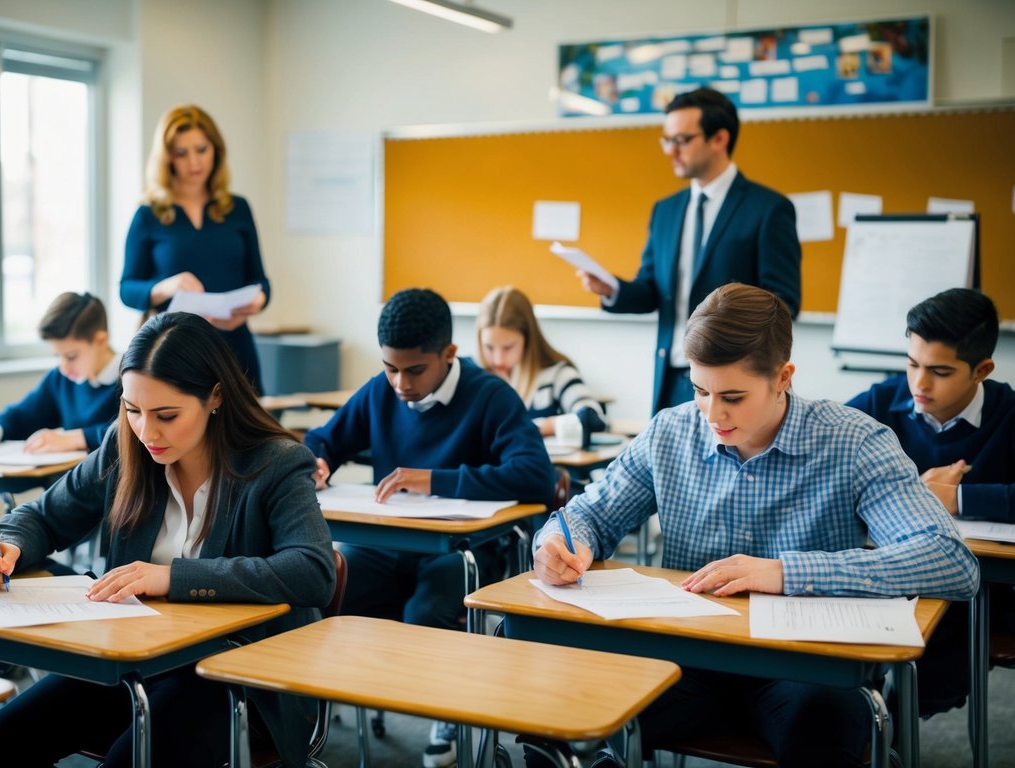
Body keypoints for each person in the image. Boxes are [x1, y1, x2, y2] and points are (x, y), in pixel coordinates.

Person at [532, 283, 978, 768]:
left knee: (822, 723)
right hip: (687, 661)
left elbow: (950, 561)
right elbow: (588, 514)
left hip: (805, 669)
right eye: (701, 390)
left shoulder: (856, 442)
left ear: (783, 377)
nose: (713, 413)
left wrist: (784, 573)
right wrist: (559, 540)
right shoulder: (670, 432)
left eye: (734, 396)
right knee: (567, 701)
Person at [0, 311, 335, 768]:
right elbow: (43, 516)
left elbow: (313, 571)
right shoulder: (126, 448)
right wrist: (3, 545)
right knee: (8, 736)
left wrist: (172, 578)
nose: (146, 432)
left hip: (238, 678)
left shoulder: (276, 463)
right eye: (132, 409)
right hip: (139, 664)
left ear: (215, 396)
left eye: (166, 415)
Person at [303, 287, 552, 768]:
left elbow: (536, 476)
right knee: (327, 586)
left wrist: (435, 480)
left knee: (429, 607)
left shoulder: (489, 396)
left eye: (414, 370)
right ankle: (306, 723)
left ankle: (444, 713)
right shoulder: (381, 390)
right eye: (390, 367)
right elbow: (324, 437)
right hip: (387, 546)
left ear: (448, 354)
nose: (399, 383)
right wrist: (318, 460)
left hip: (462, 550)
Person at [847, 287, 1015, 716]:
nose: (919, 383)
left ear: (981, 370)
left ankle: (887, 731)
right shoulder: (880, 403)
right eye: (912, 364)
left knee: (930, 661)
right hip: (888, 584)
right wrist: (917, 491)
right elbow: (821, 469)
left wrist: (957, 497)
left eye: (939, 370)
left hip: (982, 600)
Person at [573, 87, 801, 414]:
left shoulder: (768, 209)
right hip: (671, 375)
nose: (670, 151)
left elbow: (784, 303)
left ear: (719, 139)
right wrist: (613, 289)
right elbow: (652, 290)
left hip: (735, 383)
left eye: (681, 140)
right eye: (666, 140)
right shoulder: (665, 211)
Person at [120, 104, 270, 393]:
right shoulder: (149, 214)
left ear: (215, 150)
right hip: (175, 353)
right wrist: (165, 287)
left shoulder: (237, 209)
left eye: (201, 149)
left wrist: (257, 301)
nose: (194, 162)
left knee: (247, 433)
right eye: (181, 153)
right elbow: (127, 289)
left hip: (234, 346)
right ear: (167, 159)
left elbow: (260, 280)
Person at [0, 292, 121, 453]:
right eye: (57, 356)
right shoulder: (60, 379)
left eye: (71, 356)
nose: (64, 367)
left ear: (101, 341)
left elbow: (132, 432)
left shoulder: (131, 378)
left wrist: (79, 438)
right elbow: (23, 415)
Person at [476, 285, 606, 437]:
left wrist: (546, 426)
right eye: (489, 347)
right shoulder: (473, 377)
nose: (498, 359)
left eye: (508, 347)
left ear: (528, 339)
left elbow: (594, 418)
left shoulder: (558, 375)